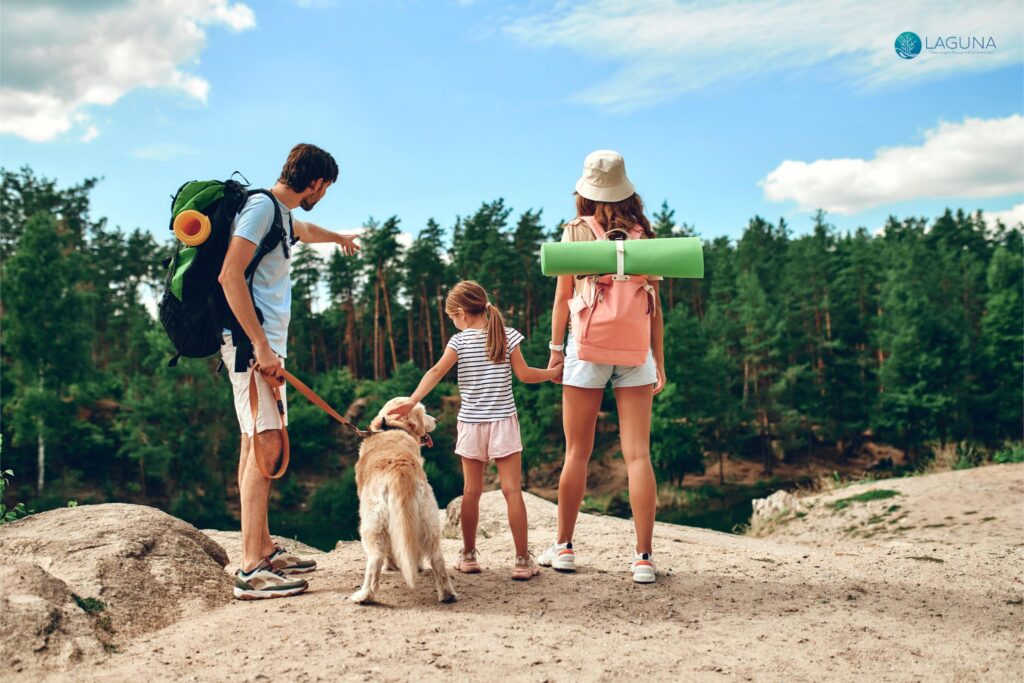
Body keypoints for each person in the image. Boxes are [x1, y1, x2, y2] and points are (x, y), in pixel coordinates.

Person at [219, 143, 360, 600]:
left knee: (253, 442)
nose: (325, 195)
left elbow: (305, 229)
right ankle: (251, 570)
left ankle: (263, 548)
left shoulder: (279, 214)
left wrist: (338, 237)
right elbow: (229, 275)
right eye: (327, 188)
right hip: (250, 347)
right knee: (267, 445)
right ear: (316, 182)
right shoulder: (261, 208)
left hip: (262, 348)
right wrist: (260, 346)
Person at [536, 150, 666, 584]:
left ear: (587, 190)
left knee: (577, 452)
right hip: (635, 352)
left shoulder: (575, 232)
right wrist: (658, 361)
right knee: (638, 455)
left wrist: (557, 350)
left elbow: (561, 298)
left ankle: (565, 547)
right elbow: (655, 307)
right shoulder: (645, 236)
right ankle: (643, 557)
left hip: (587, 349)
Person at [389, 281, 562, 580]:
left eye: (452, 318)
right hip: (503, 423)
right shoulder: (507, 336)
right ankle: (522, 561)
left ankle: (468, 557)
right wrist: (551, 374)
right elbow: (525, 374)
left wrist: (412, 401)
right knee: (512, 492)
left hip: (470, 423)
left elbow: (435, 372)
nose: (453, 324)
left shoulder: (459, 342)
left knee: (471, 492)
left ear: (461, 314)